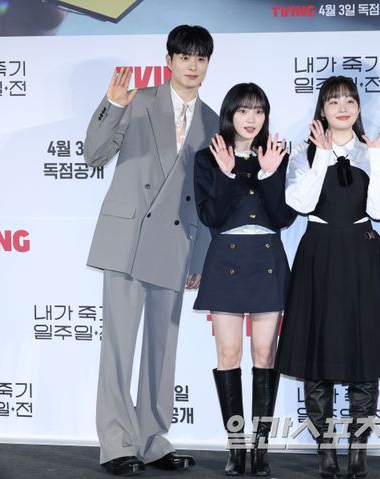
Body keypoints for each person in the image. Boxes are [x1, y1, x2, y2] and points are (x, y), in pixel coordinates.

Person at [83, 25, 218, 476]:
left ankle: (153, 441)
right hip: (128, 240)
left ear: (208, 64)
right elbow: (93, 154)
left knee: (163, 348)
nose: (192, 66)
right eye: (185, 57)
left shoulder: (213, 121)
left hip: (176, 244)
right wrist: (113, 104)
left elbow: (207, 197)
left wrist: (199, 258)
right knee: (118, 348)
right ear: (169, 60)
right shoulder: (138, 101)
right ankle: (116, 444)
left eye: (200, 58)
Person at [275, 76, 380, 479]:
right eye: (334, 101)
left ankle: (358, 451)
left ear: (358, 108)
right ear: (322, 108)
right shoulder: (302, 152)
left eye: (350, 100)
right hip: (319, 254)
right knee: (316, 354)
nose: (342, 107)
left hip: (361, 254)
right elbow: (299, 202)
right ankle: (325, 451)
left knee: (363, 356)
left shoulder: (372, 151)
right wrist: (321, 156)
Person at [193, 82, 295, 477]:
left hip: (267, 258)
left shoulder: (277, 155)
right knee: (229, 354)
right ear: (230, 114)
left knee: (265, 354)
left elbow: (283, 218)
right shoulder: (208, 158)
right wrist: (225, 173)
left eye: (258, 111)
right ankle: (236, 446)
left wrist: (269, 173)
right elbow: (211, 217)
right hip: (226, 262)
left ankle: (261, 448)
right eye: (243, 110)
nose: (251, 119)